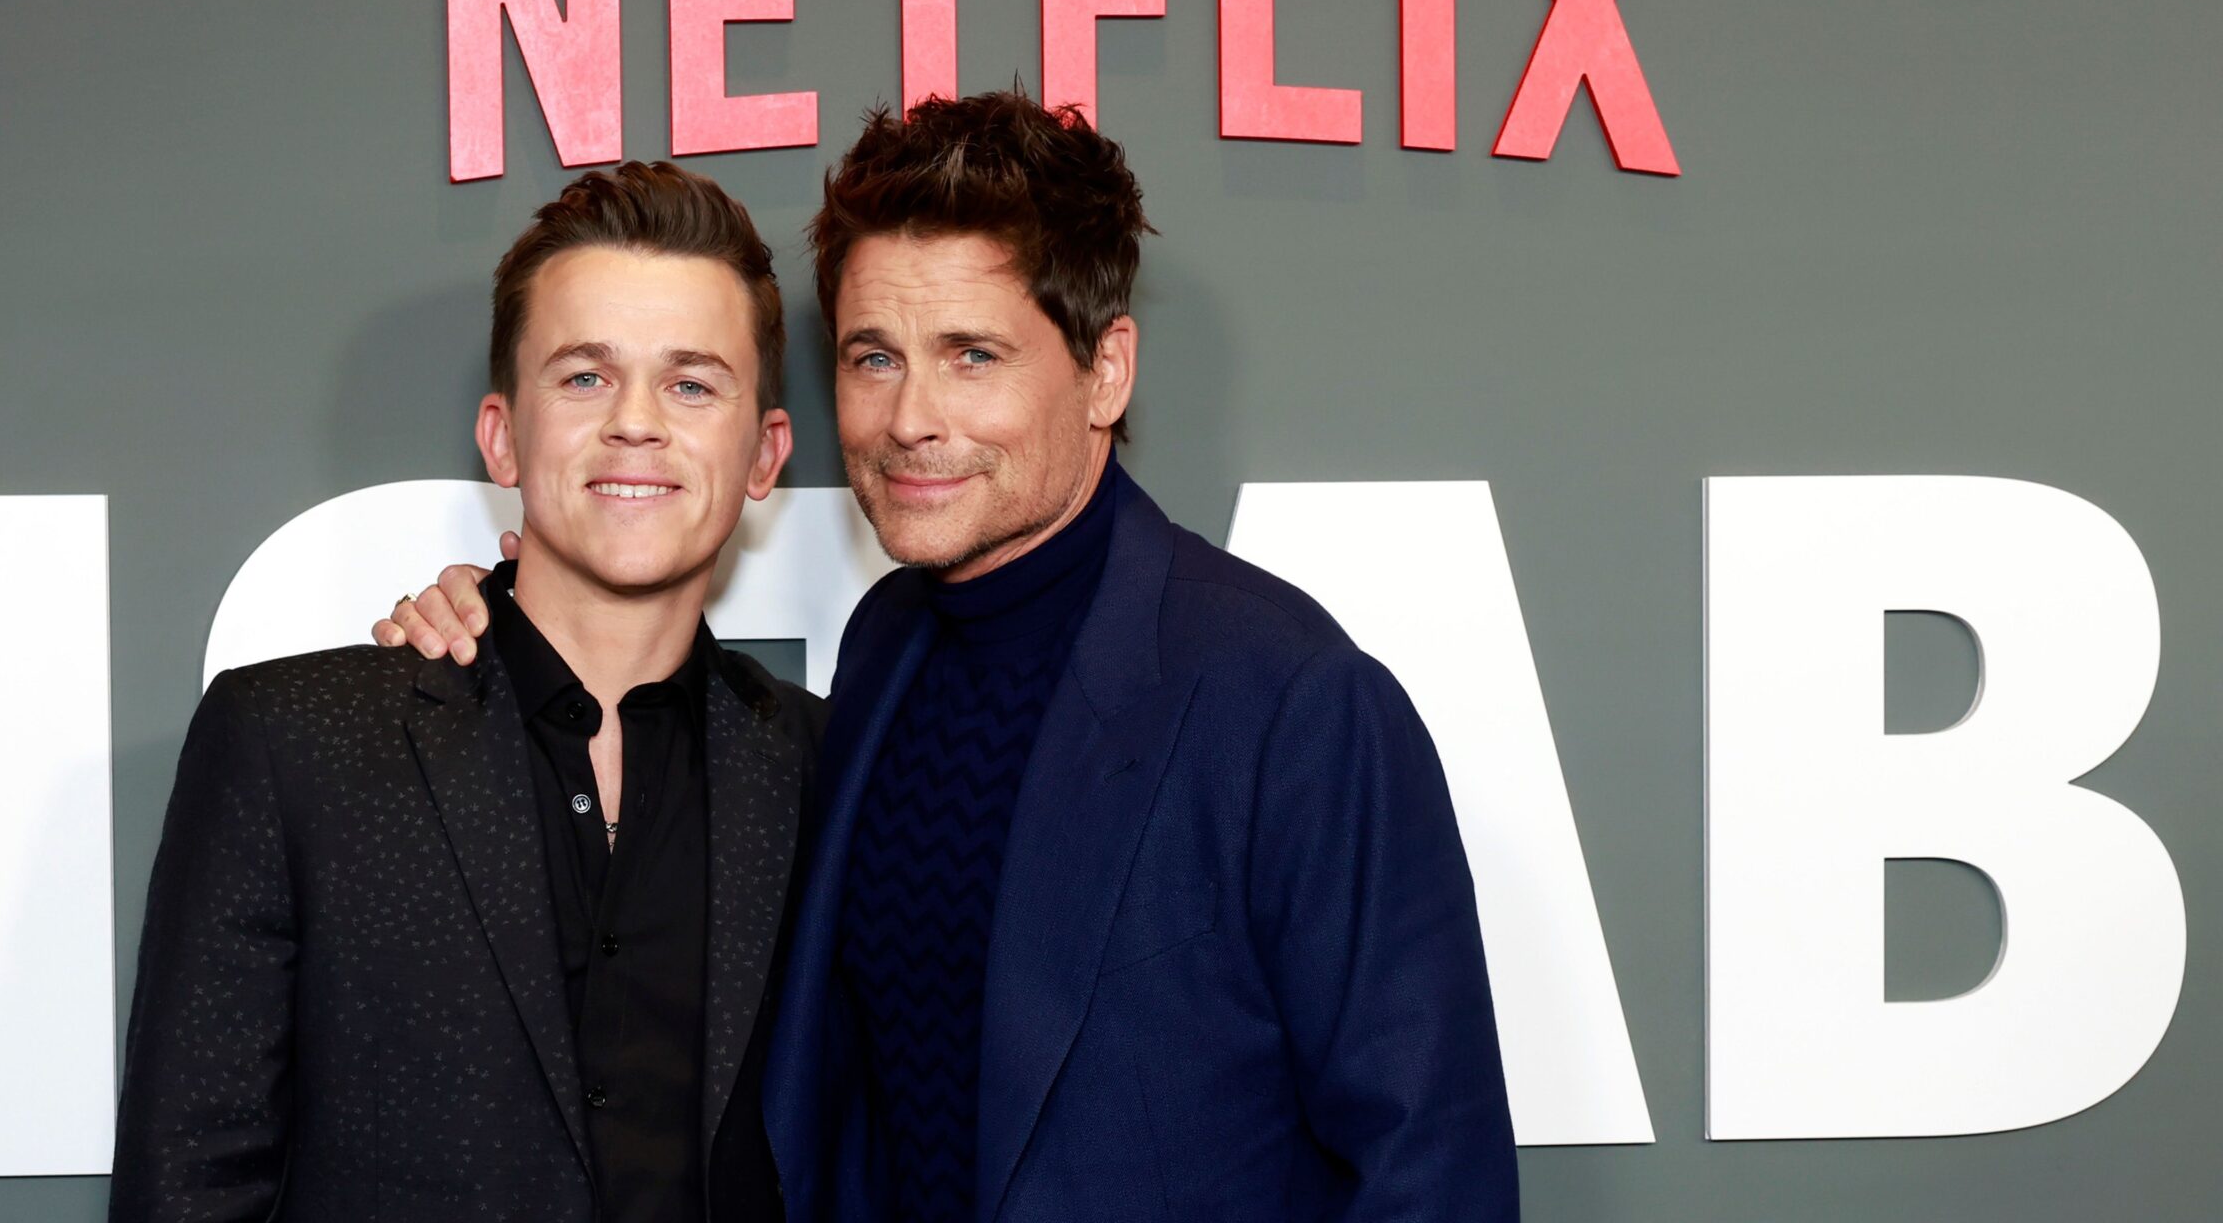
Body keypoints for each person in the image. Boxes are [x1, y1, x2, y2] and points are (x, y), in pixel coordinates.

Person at [380, 91, 1518, 1221]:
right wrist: (494, 621)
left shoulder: (1288, 704)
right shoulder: (883, 656)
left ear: (1106, 370)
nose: (911, 417)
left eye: (972, 355)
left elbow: (1432, 1174)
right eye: (875, 358)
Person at [109, 162, 821, 1222]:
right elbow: (190, 1187)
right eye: (584, 376)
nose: (637, 422)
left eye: (692, 383)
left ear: (763, 453)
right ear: (501, 436)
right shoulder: (292, 746)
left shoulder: (826, 769)